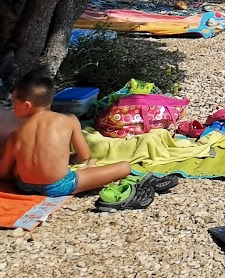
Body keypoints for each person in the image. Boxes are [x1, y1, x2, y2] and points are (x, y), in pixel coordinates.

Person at [0, 72, 132, 196]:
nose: (13, 107)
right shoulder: (69, 120)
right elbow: (84, 155)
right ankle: (89, 170)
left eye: (15, 103)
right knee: (125, 167)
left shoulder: (16, 133)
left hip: (24, 187)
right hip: (59, 186)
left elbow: (4, 173)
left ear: (27, 105)